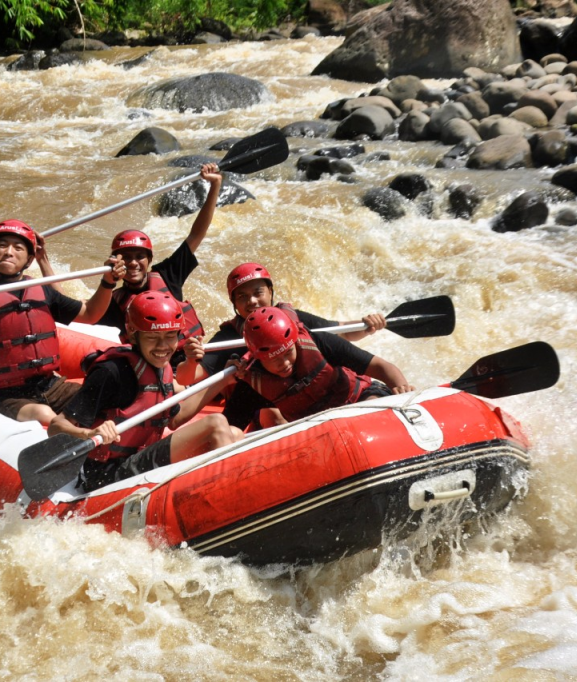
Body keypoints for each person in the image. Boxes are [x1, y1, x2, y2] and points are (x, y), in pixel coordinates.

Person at [0, 220, 126, 426]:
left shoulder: (41, 290)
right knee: (43, 413)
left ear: (28, 259)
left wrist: (108, 282)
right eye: (2, 245)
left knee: (109, 398)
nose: (9, 252)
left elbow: (90, 314)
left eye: (18, 248)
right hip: (2, 395)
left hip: (49, 386)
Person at [48, 291, 241, 493]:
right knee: (216, 423)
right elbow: (56, 426)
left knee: (234, 433)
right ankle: (228, 496)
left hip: (140, 458)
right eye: (152, 337)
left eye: (170, 336)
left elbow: (174, 419)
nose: (163, 346)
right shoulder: (110, 372)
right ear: (133, 333)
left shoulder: (162, 367)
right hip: (106, 474)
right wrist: (89, 433)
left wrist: (223, 381)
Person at [176, 262, 388, 385]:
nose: (252, 301)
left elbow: (342, 333)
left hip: (308, 384)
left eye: (258, 292)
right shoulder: (231, 335)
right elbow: (189, 378)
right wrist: (192, 360)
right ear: (234, 304)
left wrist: (366, 325)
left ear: (270, 293)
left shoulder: (289, 317)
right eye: (242, 297)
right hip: (268, 403)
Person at [97, 163, 223, 365]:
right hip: (148, 366)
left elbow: (196, 234)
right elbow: (75, 310)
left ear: (149, 260)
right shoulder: (112, 300)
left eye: (139, 256)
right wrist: (43, 260)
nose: (133, 263)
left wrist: (215, 185)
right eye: (126, 257)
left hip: (183, 360)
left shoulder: (168, 274)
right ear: (115, 260)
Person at [221, 306, 414, 432]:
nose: (285, 363)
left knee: (369, 412)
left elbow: (381, 366)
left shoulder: (317, 342)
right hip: (320, 429)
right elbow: (230, 429)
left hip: (359, 398)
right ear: (258, 358)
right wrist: (225, 379)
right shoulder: (253, 381)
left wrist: (401, 389)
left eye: (288, 353)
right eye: (274, 359)